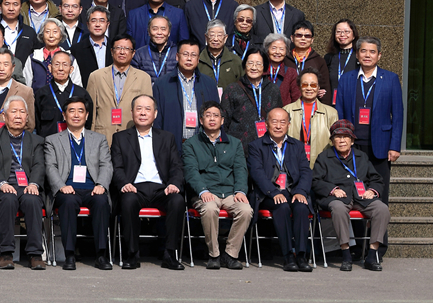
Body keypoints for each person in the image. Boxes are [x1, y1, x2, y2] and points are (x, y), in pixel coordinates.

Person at [110, 95, 187, 270]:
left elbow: (177, 166)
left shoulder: (167, 137)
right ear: (132, 112)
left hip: (162, 189)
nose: (143, 113)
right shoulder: (120, 138)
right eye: (139, 109)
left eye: (147, 109)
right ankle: (132, 254)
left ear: (155, 114)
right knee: (128, 201)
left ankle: (170, 254)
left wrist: (174, 183)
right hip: (134, 188)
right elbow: (116, 167)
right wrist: (124, 183)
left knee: (177, 201)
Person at [43, 96, 113, 271]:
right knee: (68, 202)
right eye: (71, 111)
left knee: (101, 201)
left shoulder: (99, 139)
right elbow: (50, 167)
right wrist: (61, 186)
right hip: (67, 189)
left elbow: (106, 165)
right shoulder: (53, 140)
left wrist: (101, 185)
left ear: (87, 115)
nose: (76, 115)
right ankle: (69, 254)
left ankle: (101, 254)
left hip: (93, 188)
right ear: (64, 115)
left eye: (80, 111)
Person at [179, 102, 251, 270]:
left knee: (246, 210)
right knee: (210, 208)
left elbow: (241, 170)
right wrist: (202, 190)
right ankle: (214, 254)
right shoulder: (190, 144)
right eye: (208, 115)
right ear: (201, 120)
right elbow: (191, 172)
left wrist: (240, 191)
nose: (212, 119)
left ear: (222, 120)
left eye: (216, 115)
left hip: (230, 192)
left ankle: (230, 255)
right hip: (206, 192)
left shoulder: (235, 143)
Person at [0, 96, 47, 269]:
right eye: (14, 111)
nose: (18, 116)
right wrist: (2, 183)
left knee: (33, 200)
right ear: (4, 116)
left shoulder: (36, 140)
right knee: (8, 199)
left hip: (26, 187)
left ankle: (35, 254)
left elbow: (39, 165)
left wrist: (34, 184)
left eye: (22, 112)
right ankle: (6, 253)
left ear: (27, 117)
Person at [314, 120, 389, 271]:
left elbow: (376, 178)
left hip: (361, 197)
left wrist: (372, 190)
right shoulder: (324, 157)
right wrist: (332, 190)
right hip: (338, 198)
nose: (342, 140)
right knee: (338, 209)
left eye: (345, 137)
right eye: (338, 137)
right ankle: (346, 254)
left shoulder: (361, 156)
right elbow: (315, 181)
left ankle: (372, 255)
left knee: (382, 209)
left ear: (352, 141)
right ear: (332, 140)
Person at [336, 37, 403, 202]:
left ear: (379, 55)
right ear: (357, 55)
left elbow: (398, 115)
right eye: (363, 51)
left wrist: (394, 146)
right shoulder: (346, 78)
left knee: (380, 190)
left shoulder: (391, 79)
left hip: (381, 145)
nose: (367, 55)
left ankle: (380, 220)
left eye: (372, 52)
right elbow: (340, 112)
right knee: (354, 189)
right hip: (353, 144)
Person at [251, 107, 316, 272]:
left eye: (282, 122)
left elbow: (305, 171)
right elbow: (257, 173)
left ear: (288, 124)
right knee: (282, 207)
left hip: (293, 190)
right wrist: (273, 192)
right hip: (268, 193)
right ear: (267, 124)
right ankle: (287, 256)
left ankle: (301, 255)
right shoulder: (256, 146)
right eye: (274, 122)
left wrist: (301, 191)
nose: (278, 126)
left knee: (301, 207)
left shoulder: (297, 145)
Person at [153, 39, 220, 141]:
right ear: (177, 56)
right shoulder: (162, 84)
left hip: (202, 144)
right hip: (172, 143)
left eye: (193, 55)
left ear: (198, 59)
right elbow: (157, 120)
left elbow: (217, 115)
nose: (189, 58)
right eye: (185, 54)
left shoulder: (209, 83)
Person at [87, 36, 152, 137]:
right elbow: (90, 111)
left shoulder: (143, 78)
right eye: (118, 48)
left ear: (133, 53)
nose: (122, 52)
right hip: (103, 135)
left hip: (131, 136)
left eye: (127, 49)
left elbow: (148, 112)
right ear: (112, 51)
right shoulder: (96, 76)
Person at [225, 52, 282, 143]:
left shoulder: (273, 90)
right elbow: (224, 120)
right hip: (239, 145)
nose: (254, 67)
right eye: (250, 63)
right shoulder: (232, 89)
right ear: (244, 65)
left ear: (264, 66)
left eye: (258, 64)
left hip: (267, 144)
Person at [284, 71, 337, 165]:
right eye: (305, 85)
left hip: (321, 164)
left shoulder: (331, 113)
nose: (309, 88)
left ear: (318, 87)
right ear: (299, 87)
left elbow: (334, 142)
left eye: (313, 85)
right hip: (293, 163)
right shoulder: (287, 111)